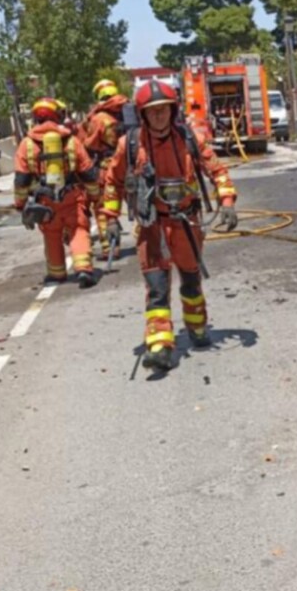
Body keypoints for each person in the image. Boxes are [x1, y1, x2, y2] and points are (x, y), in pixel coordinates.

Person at [101, 80, 238, 372]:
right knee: (157, 288)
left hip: (186, 224)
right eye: (153, 111)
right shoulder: (130, 145)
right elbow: (112, 183)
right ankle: (159, 345)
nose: (159, 116)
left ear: (172, 110)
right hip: (152, 227)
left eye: (163, 110)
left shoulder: (189, 138)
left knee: (190, 281)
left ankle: (197, 327)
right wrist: (110, 218)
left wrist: (226, 200)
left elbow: (217, 169)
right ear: (143, 115)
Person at [13, 99, 100, 287]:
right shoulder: (71, 140)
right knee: (78, 230)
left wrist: (20, 205)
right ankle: (83, 269)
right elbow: (88, 172)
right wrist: (94, 197)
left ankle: (57, 273)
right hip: (72, 196)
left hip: (45, 200)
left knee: (51, 234)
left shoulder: (26, 144)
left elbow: (21, 180)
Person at [83, 79, 130, 255]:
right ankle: (151, 241)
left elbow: (91, 143)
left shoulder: (99, 118)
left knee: (104, 207)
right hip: (132, 164)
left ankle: (110, 247)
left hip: (108, 166)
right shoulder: (129, 111)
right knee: (140, 205)